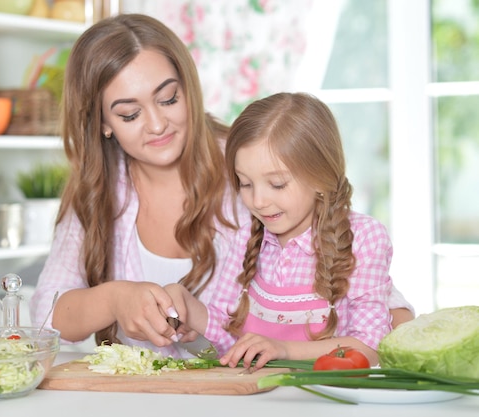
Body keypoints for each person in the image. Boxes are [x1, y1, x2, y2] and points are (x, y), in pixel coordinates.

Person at [29, 13, 250, 357]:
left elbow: (314, 301)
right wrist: (114, 299)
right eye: (130, 115)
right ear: (102, 123)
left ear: (188, 88)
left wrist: (206, 318)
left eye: (169, 99)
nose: (158, 124)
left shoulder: (247, 164)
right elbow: (46, 314)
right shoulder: (100, 187)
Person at [167, 92, 408, 367]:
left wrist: (283, 349)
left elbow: (370, 345)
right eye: (245, 184)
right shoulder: (244, 235)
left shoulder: (364, 239)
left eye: (277, 184)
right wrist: (190, 308)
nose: (258, 201)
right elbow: (230, 337)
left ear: (320, 177)